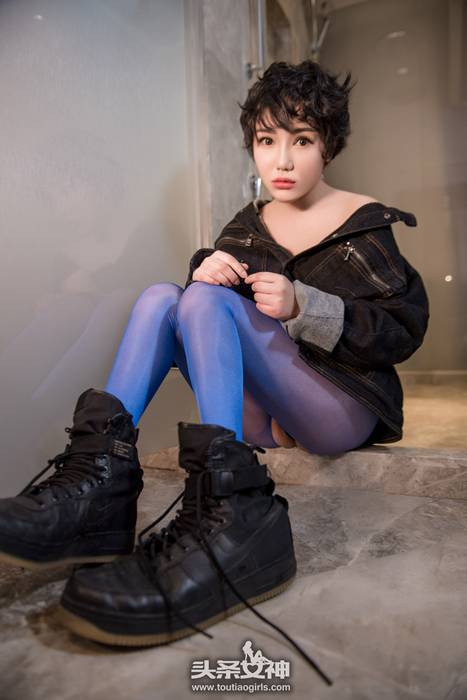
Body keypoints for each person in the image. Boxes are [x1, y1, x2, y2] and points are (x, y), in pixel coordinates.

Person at [0, 60, 428, 682]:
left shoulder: (364, 222)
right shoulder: (248, 222)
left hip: (337, 404)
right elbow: (205, 312)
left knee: (196, 300)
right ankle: (100, 482)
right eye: (267, 140)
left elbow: (402, 331)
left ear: (328, 145)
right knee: (160, 297)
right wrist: (206, 270)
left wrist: (305, 306)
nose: (282, 160)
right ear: (252, 144)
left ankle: (232, 508)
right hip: (264, 411)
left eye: (302, 140)